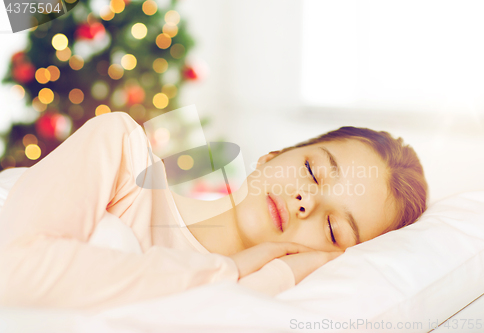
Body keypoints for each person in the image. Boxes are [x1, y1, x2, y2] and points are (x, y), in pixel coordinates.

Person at [0, 112, 427, 310]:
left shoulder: (265, 300)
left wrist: (271, 278)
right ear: (273, 156)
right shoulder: (123, 154)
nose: (307, 202)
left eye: (334, 227)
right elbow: (13, 270)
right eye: (313, 171)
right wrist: (225, 273)